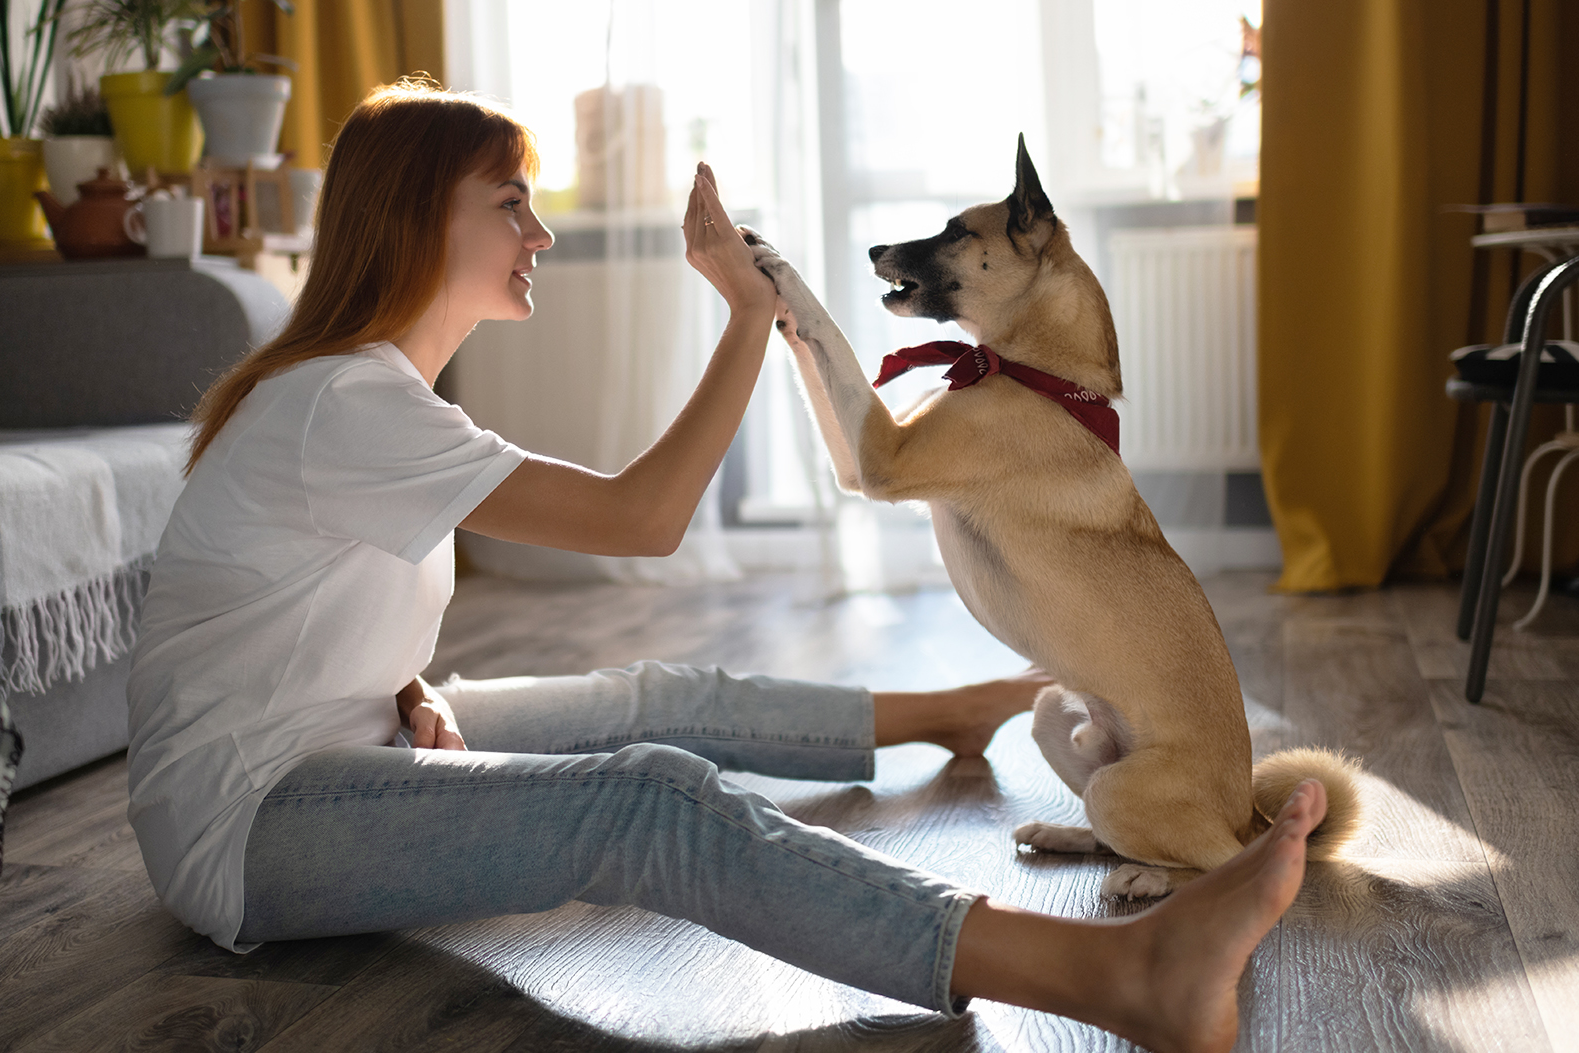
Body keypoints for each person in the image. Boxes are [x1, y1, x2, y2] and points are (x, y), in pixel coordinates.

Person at [126, 79, 1327, 1053]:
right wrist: (752, 317)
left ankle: (940, 714)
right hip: (255, 824)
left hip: (338, 744)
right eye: (511, 203)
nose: (539, 232)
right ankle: (1114, 972)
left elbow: (303, 613)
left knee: (654, 700)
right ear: (412, 220)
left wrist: (399, 688)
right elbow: (646, 518)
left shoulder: (373, 394)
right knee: (647, 797)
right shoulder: (347, 400)